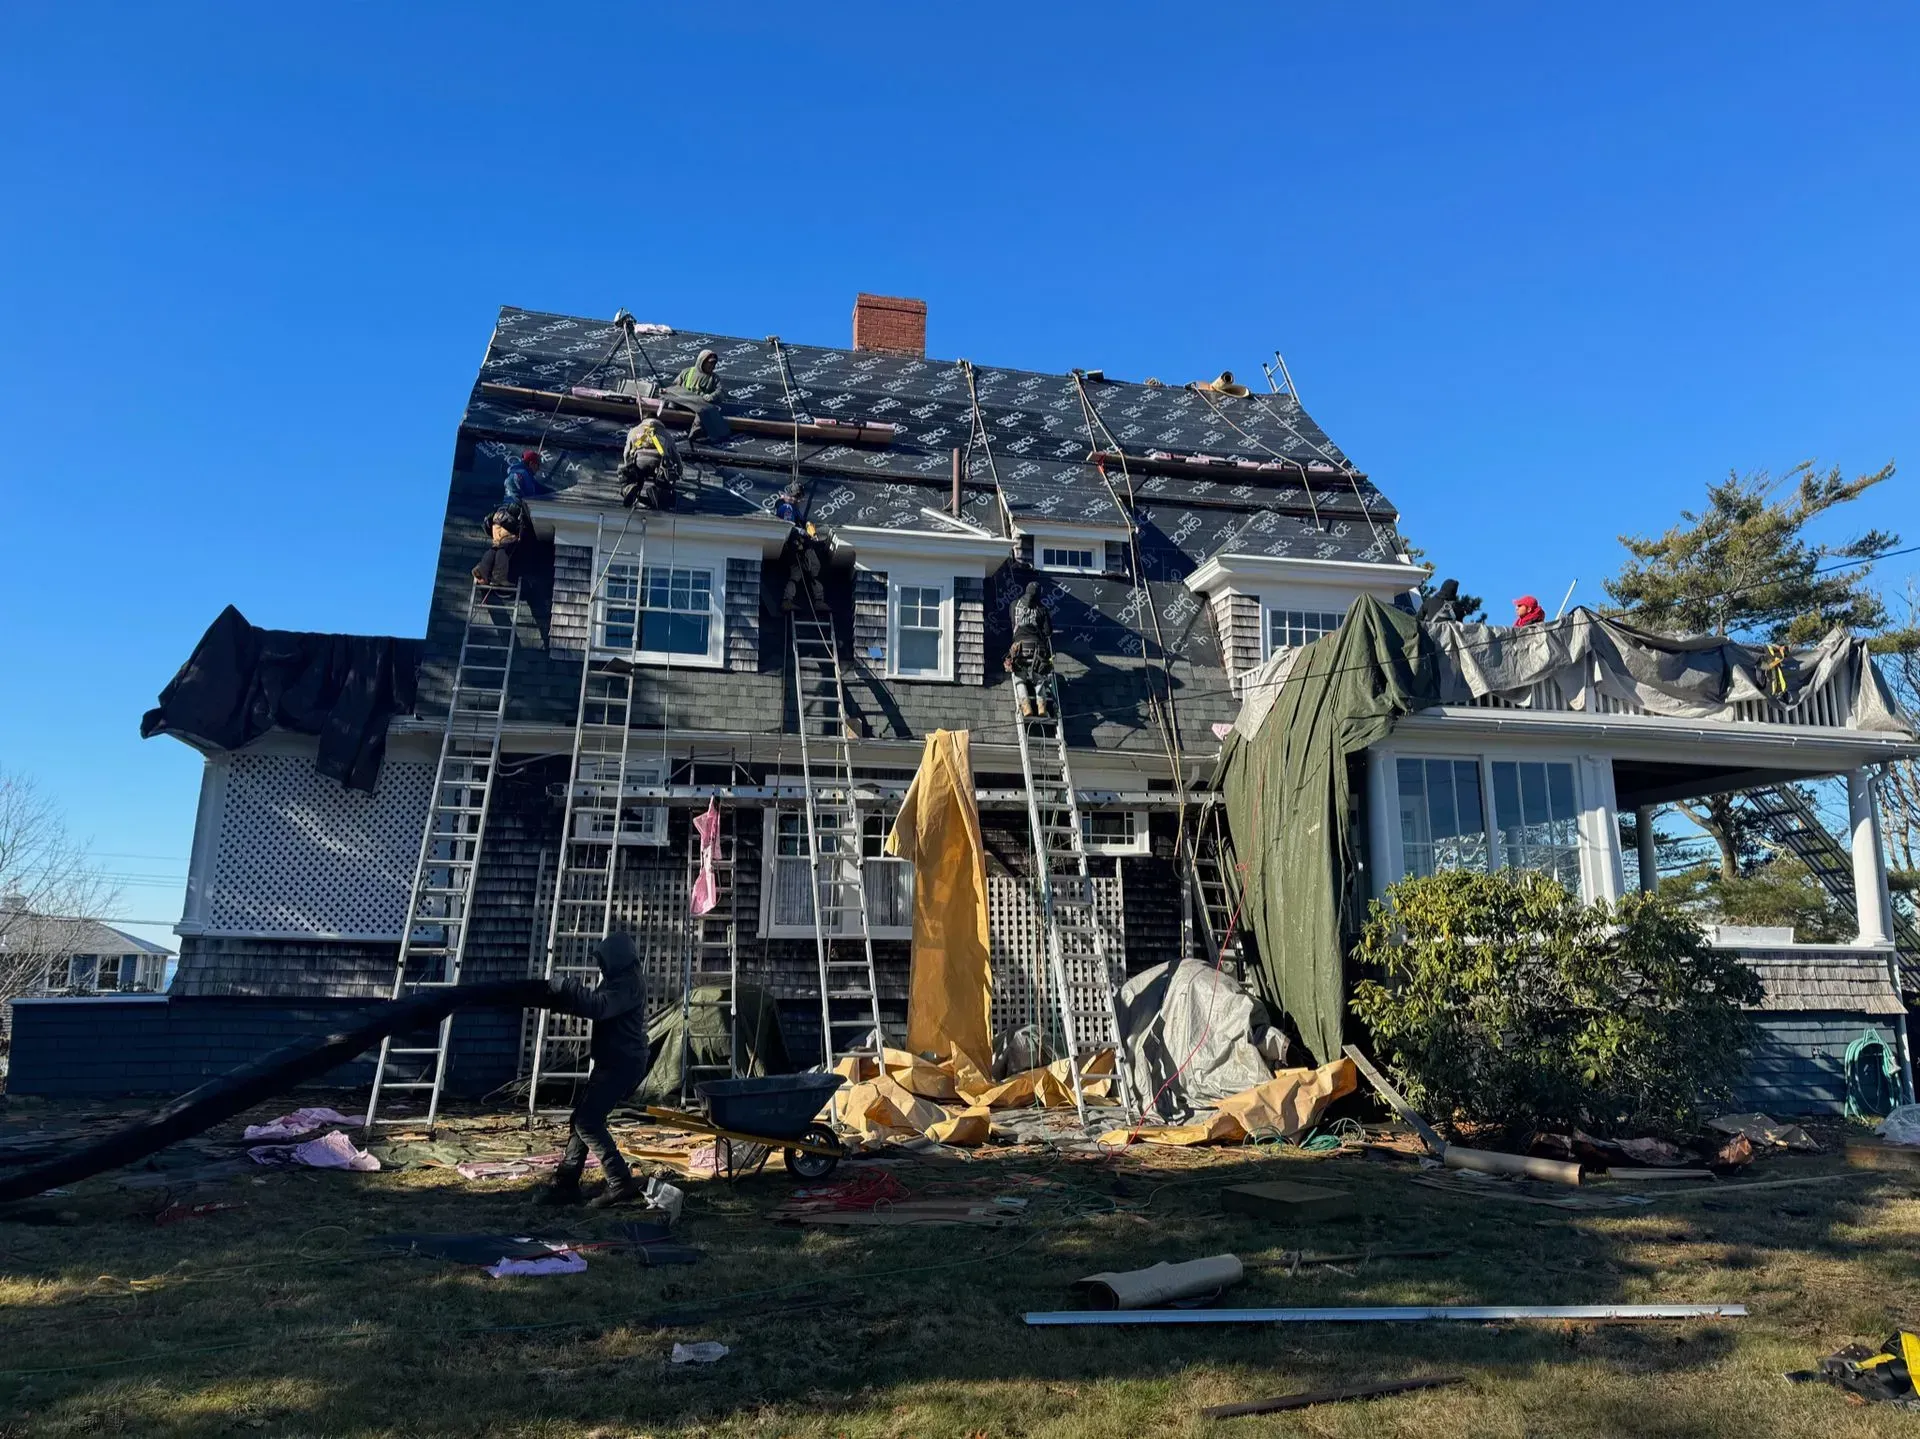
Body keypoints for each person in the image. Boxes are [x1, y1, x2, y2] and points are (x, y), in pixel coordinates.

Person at [537, 933, 650, 1208]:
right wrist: (566, 998)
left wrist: (568, 987)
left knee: (588, 1121)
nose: (601, 967)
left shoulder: (628, 985)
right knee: (581, 1118)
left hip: (622, 1064)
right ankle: (566, 1183)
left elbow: (600, 1007)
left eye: (603, 962)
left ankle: (620, 1181)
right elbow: (595, 1005)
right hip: (612, 1061)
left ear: (616, 959)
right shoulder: (617, 981)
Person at [1005, 581, 1055, 718]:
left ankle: (1026, 706)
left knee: (1019, 678)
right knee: (1039, 677)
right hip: (1037, 649)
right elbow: (1048, 632)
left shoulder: (1014, 605)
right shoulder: (1042, 609)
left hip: (1019, 648)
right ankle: (1041, 707)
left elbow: (1012, 622)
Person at [662, 348, 729, 441]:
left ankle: (696, 430)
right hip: (683, 401)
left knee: (703, 410)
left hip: (698, 404)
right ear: (702, 361)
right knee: (671, 402)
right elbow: (675, 386)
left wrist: (711, 396)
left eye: (714, 363)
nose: (712, 365)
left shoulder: (714, 378)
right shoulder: (687, 372)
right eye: (710, 363)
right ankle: (668, 421)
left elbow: (721, 391)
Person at [620, 417, 682, 511]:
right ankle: (659, 492)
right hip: (659, 463)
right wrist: (679, 471)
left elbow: (627, 453)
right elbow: (675, 456)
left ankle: (630, 487)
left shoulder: (634, 432)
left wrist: (629, 469)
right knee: (664, 478)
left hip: (639, 461)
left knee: (631, 476)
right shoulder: (666, 435)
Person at [472, 497, 532, 588]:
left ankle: (481, 570)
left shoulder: (507, 495)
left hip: (496, 521)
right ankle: (499, 577)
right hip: (508, 520)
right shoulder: (517, 492)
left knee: (496, 547)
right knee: (504, 548)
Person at [780, 523, 829, 615]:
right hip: (800, 551)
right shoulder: (797, 532)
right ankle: (817, 600)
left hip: (798, 551)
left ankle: (787, 600)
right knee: (810, 571)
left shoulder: (796, 527)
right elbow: (801, 532)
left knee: (798, 575)